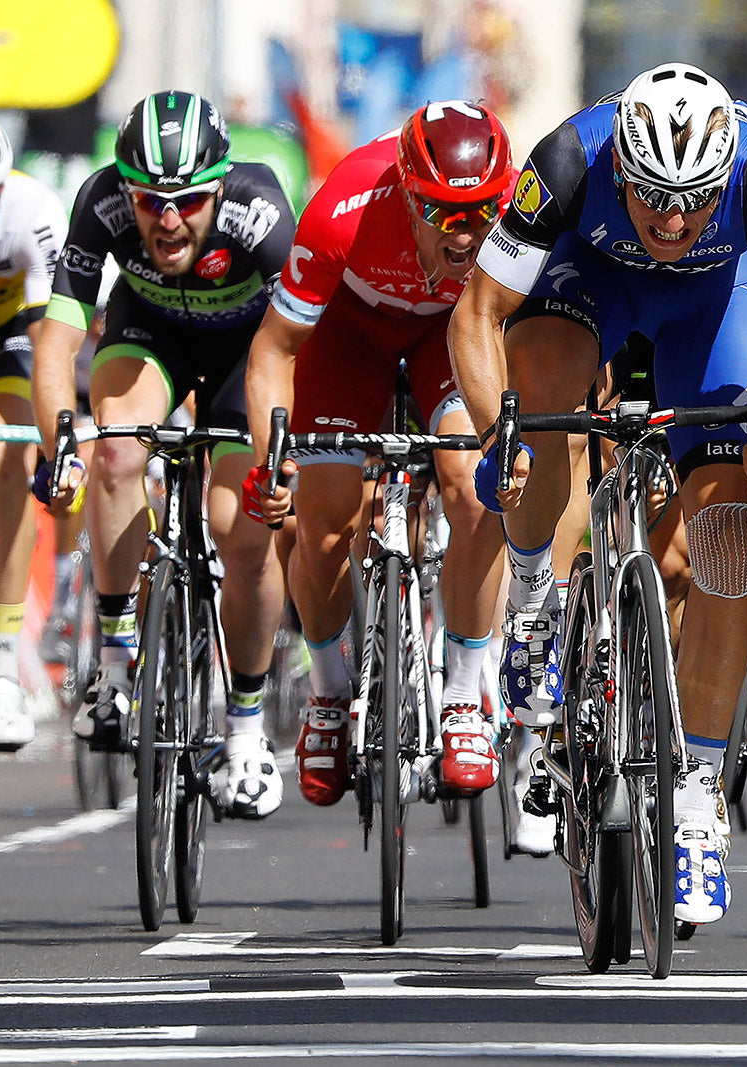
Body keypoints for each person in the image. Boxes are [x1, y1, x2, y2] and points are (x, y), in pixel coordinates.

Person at [448, 62, 747, 926]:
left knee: (731, 533)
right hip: (585, 279)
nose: (670, 221)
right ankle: (532, 603)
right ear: (620, 168)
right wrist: (496, 433)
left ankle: (698, 800)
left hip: (713, 306)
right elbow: (478, 312)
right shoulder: (564, 164)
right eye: (651, 197)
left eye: (694, 201)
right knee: (542, 406)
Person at [32, 91, 296, 819]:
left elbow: (304, 344)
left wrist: (285, 459)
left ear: (218, 186)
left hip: (251, 352)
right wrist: (62, 438)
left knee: (240, 531)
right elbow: (57, 338)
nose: (167, 218)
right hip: (151, 335)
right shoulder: (101, 204)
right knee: (115, 451)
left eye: (186, 201)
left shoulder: (261, 211)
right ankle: (115, 662)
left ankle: (244, 728)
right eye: (149, 201)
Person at [244, 100, 514, 806]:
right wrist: (274, 458)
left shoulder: (517, 217)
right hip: (349, 338)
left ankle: (462, 696)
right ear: (404, 192)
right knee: (326, 519)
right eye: (445, 214)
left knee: (475, 486)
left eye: (482, 211)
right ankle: (330, 693)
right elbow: (274, 349)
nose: (467, 233)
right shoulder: (344, 209)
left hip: (451, 338)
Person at [0, 115, 66, 751]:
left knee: (1, 456)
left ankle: (4, 667)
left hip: (3, 344)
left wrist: (55, 444)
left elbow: (47, 345)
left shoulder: (32, 210)